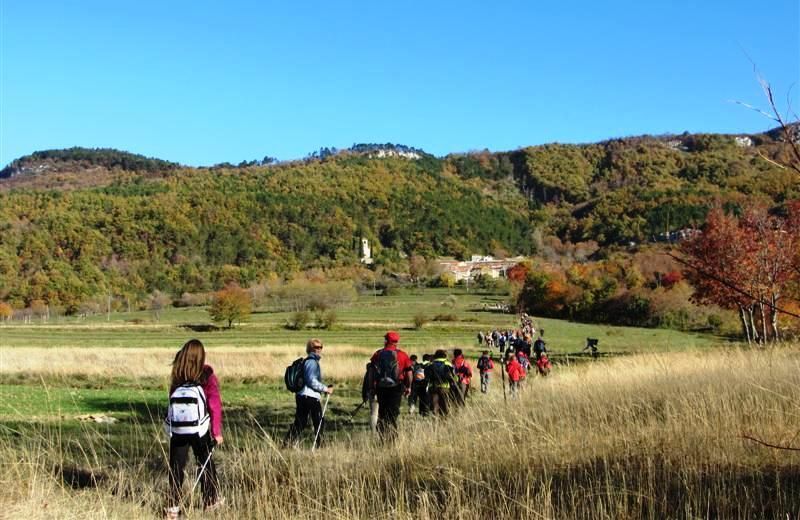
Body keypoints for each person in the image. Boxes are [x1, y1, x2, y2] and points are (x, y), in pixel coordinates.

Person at [165, 339, 224, 519]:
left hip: (178, 429)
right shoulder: (206, 375)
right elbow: (214, 404)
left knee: (176, 466)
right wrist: (216, 432)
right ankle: (210, 500)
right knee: (205, 462)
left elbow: (171, 398)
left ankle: (172, 507)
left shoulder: (178, 373)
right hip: (200, 428)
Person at [285, 339, 334, 448]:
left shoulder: (306, 361)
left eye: (320, 347)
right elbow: (311, 380)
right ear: (310, 349)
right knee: (318, 421)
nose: (318, 349)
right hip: (310, 397)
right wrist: (325, 389)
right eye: (315, 347)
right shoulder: (312, 362)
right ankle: (320, 446)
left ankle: (287, 444)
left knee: (300, 422)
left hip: (301, 395)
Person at [368, 331, 413, 441]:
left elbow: (371, 373)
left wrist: (371, 388)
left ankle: (383, 439)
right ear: (396, 342)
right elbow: (409, 374)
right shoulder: (402, 355)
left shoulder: (378, 354)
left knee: (382, 413)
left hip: (381, 388)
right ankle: (392, 439)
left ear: (386, 340)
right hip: (396, 388)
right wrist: (408, 386)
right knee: (393, 414)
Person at [425, 349, 457, 416]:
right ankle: (444, 420)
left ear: (435, 356)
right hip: (445, 388)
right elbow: (453, 377)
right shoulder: (448, 364)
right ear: (444, 356)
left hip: (433, 387)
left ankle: (435, 419)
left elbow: (426, 377)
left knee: (434, 405)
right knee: (445, 405)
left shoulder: (430, 364)